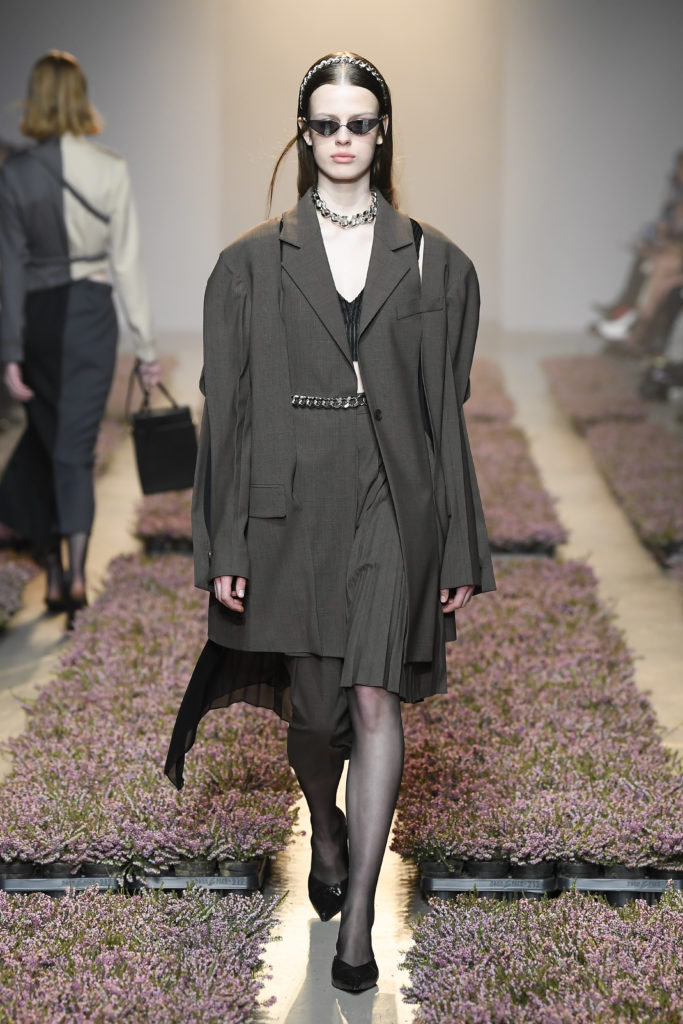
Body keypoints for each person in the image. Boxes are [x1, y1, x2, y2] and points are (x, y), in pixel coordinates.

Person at [165, 51, 495, 993]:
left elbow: (443, 416)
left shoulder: (436, 261)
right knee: (315, 718)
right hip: (290, 497)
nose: (342, 139)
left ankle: (357, 923)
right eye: (325, 124)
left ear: (381, 133)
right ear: (303, 134)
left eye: (358, 123)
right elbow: (226, 415)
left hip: (395, 494)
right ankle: (326, 822)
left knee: (373, 695)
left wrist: (458, 541)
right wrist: (225, 540)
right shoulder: (246, 264)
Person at [0, 51, 160, 618]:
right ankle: (72, 576)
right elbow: (127, 263)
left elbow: (10, 269)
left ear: (35, 99)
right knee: (72, 448)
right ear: (82, 97)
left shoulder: (15, 174)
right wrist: (145, 346)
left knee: (52, 443)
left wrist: (11, 350)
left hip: (38, 319)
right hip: (91, 314)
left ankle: (54, 569)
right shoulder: (110, 168)